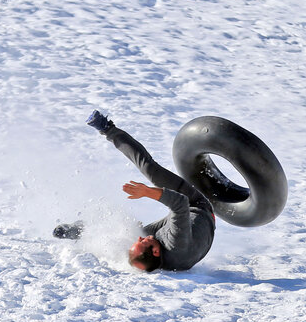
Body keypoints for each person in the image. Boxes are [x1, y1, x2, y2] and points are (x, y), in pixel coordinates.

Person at [86, 110, 216, 272]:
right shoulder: (176, 243)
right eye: (142, 242)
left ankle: (81, 231)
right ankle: (108, 128)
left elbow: (141, 250)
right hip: (197, 206)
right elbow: (180, 203)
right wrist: (147, 192)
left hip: (185, 232)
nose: (140, 238)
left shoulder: (158, 256)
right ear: (155, 251)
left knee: (127, 233)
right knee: (150, 170)